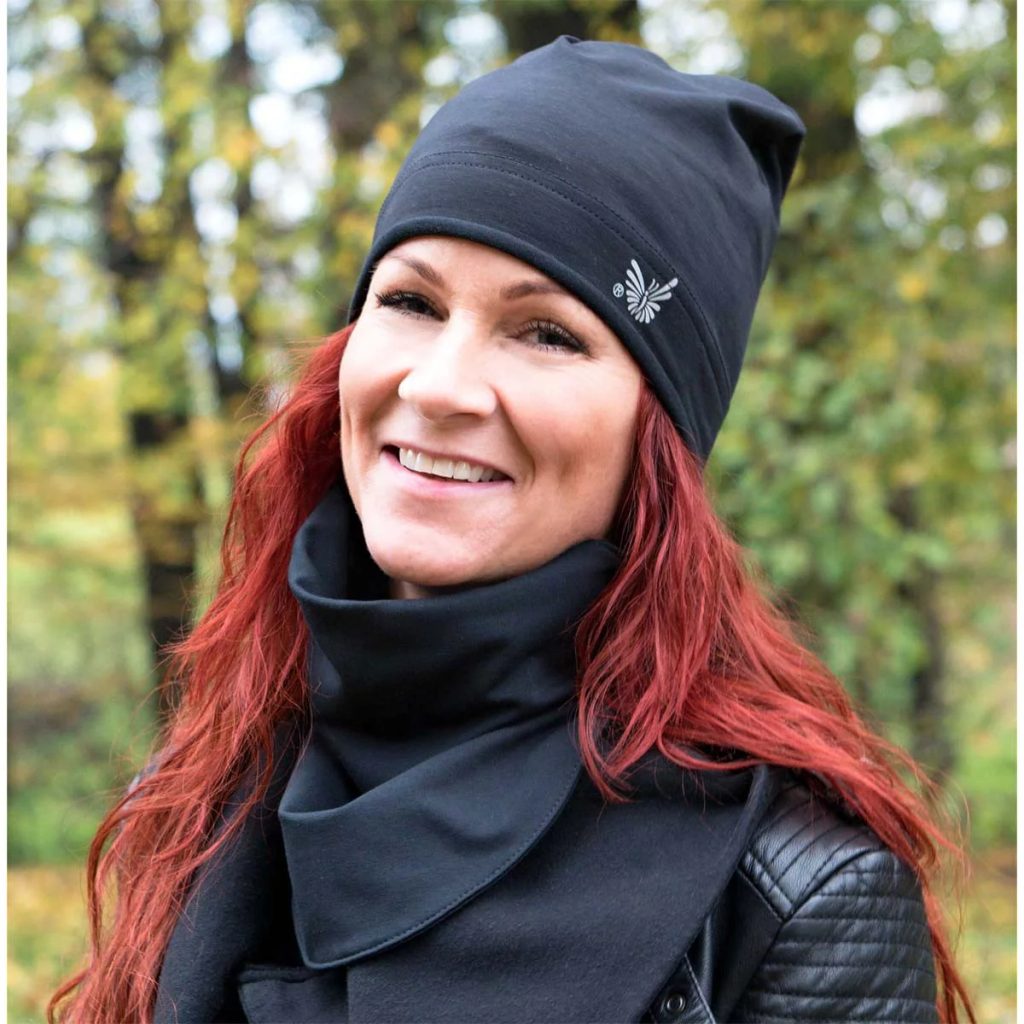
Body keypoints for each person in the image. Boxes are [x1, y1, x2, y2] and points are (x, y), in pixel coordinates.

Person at [52, 34, 973, 1024]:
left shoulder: (791, 900)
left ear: (657, 435)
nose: (438, 385)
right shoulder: (199, 791)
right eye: (411, 301)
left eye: (546, 333)